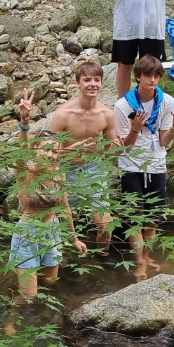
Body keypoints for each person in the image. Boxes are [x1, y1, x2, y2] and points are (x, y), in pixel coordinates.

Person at [10, 89, 87, 305]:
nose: (53, 155)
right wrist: (24, 122)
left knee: (50, 285)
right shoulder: (25, 172)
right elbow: (21, 150)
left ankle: (44, 316)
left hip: (51, 232)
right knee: (29, 296)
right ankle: (12, 315)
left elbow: (64, 208)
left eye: (56, 152)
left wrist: (74, 239)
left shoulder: (59, 174)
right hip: (27, 235)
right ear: (35, 152)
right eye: (47, 151)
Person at [113, 56, 174, 281]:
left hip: (156, 164)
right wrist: (134, 129)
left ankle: (148, 256)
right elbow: (122, 147)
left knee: (153, 216)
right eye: (147, 75)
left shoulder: (167, 102)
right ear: (138, 77)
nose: (152, 80)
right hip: (131, 164)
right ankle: (139, 262)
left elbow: (164, 141)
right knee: (135, 217)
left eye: (156, 76)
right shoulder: (123, 105)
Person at [50, 61, 119, 251]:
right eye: (87, 80)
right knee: (59, 221)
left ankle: (102, 260)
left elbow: (109, 149)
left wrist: (120, 145)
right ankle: (60, 261)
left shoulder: (107, 114)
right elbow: (50, 152)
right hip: (66, 170)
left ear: (102, 83)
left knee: (106, 226)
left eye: (97, 80)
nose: (93, 84)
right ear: (77, 83)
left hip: (93, 168)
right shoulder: (63, 114)